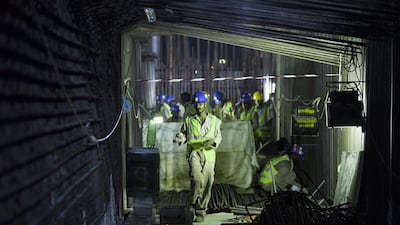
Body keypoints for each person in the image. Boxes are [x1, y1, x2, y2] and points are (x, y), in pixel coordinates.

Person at [174, 91, 222, 222]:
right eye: (196, 104)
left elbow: (218, 137)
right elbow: (184, 134)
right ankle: (192, 203)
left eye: (201, 104)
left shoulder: (215, 121)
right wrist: (180, 138)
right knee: (197, 179)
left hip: (209, 155)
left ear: (206, 104)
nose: (198, 107)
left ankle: (201, 211)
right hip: (194, 153)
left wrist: (213, 142)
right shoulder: (189, 120)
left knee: (207, 183)